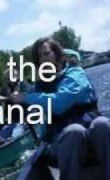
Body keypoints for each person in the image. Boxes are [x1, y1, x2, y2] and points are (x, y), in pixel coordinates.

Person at [11, 37, 110, 180]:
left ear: (56, 53)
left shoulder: (76, 74)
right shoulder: (40, 86)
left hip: (91, 131)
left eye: (46, 53)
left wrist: (26, 97)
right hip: (64, 139)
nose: (43, 59)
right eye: (39, 57)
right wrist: (17, 102)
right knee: (74, 132)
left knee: (102, 124)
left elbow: (59, 103)